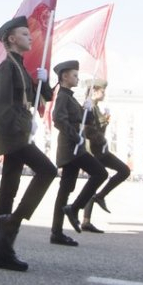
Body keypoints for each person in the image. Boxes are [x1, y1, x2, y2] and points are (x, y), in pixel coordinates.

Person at [0, 15, 56, 271]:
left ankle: (0, 249)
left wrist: (45, 80)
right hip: (13, 135)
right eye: (25, 34)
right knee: (48, 170)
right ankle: (12, 222)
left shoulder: (20, 67)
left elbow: (42, 96)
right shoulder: (7, 67)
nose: (30, 37)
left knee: (9, 188)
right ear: (12, 39)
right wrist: (20, 126)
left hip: (18, 133)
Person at [49, 60, 107, 246]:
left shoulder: (71, 97)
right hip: (71, 146)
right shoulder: (63, 96)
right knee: (100, 173)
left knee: (66, 188)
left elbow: (84, 121)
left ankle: (57, 232)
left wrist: (87, 109)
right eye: (74, 75)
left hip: (75, 145)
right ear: (64, 77)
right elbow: (58, 119)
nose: (77, 78)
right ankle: (74, 209)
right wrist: (76, 136)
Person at [81, 79, 130, 232]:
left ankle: (100, 197)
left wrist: (105, 121)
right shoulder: (88, 107)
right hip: (94, 151)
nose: (104, 93)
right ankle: (86, 220)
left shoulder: (96, 108)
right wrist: (100, 133)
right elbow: (87, 130)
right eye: (102, 90)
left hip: (101, 150)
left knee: (124, 170)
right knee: (94, 182)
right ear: (94, 91)